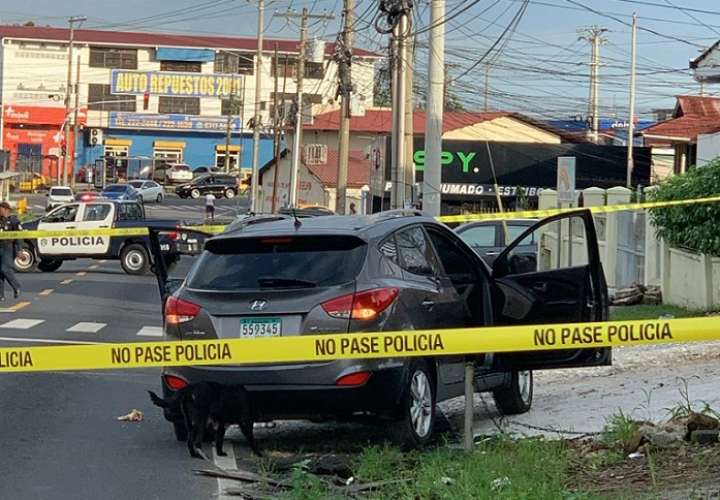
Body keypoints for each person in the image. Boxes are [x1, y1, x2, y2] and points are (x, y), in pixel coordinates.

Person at [0, 202, 21, 301]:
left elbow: (19, 237)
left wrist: (19, 250)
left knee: (5, 269)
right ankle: (1, 295)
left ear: (6, 209)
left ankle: (16, 286)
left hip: (8, 247)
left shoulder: (13, 221)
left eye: (1, 210)